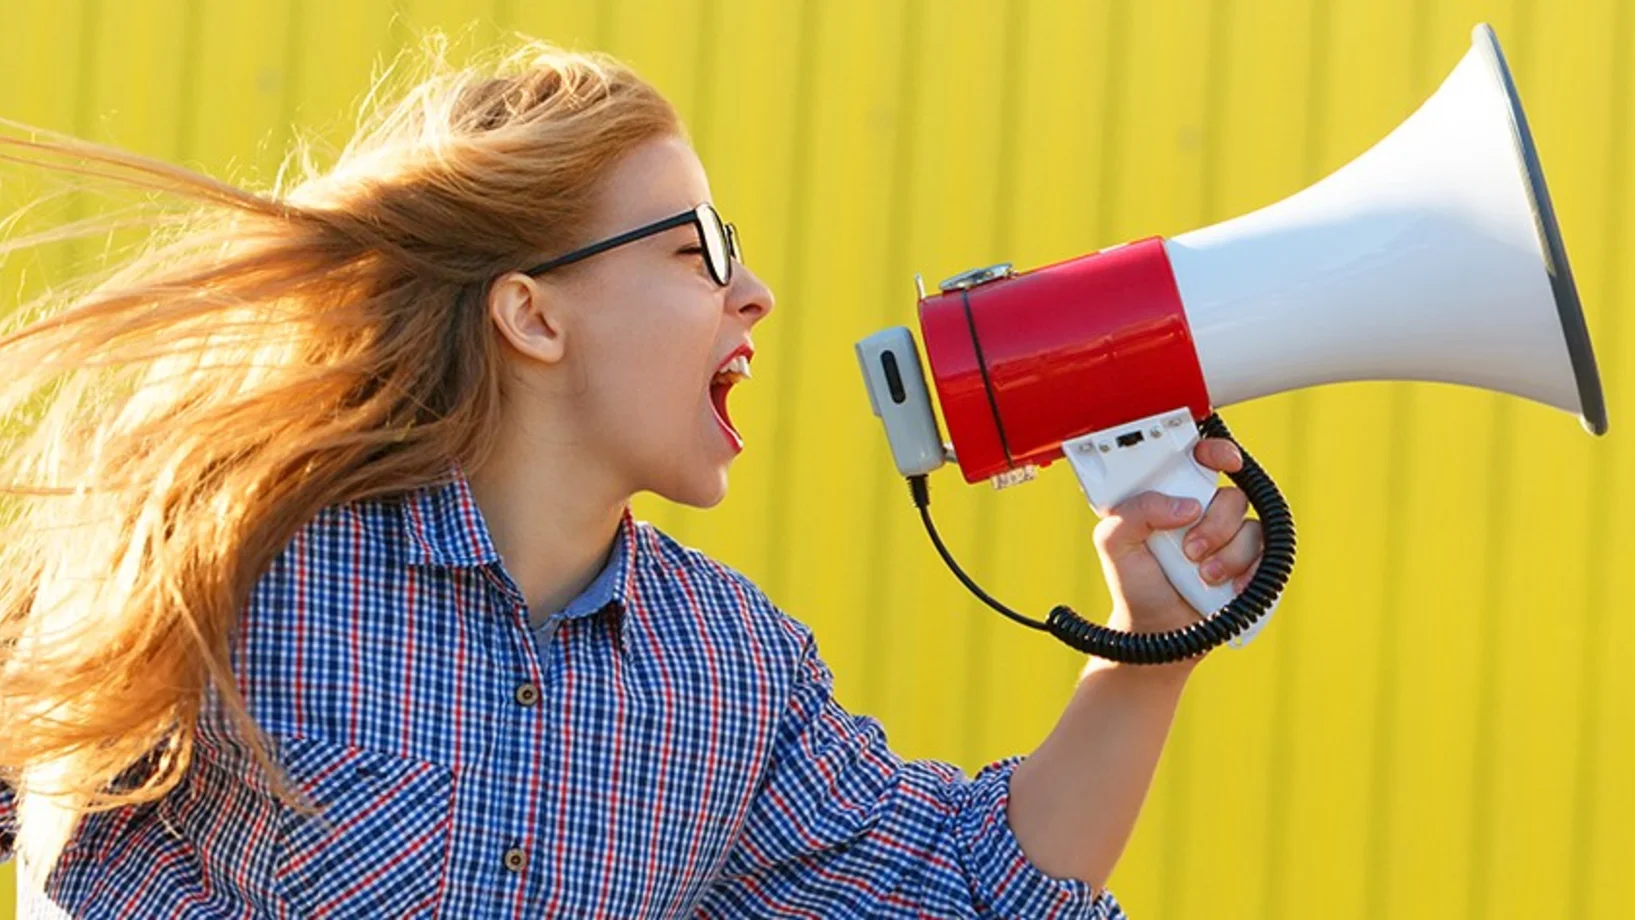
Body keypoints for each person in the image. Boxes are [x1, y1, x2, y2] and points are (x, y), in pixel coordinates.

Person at [0, 38, 1263, 919]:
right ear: (532, 317)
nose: (756, 292)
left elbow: (972, 892)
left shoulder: (733, 677)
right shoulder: (237, 559)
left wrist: (1152, 646)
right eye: (698, 249)